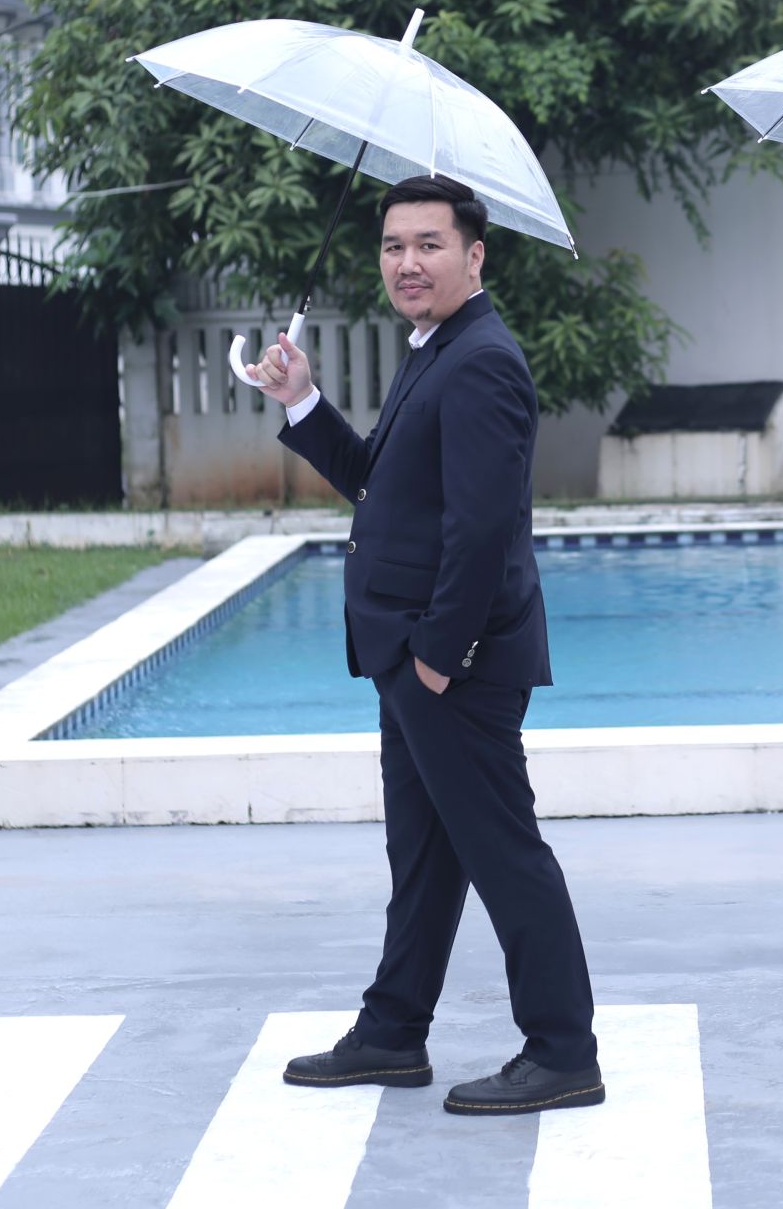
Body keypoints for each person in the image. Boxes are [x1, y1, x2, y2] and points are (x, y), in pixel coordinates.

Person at [241, 173, 603, 1117]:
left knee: (504, 855)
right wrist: (303, 399)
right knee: (425, 859)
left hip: (452, 664)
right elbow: (381, 483)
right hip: (408, 658)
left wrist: (439, 657)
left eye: (429, 245)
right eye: (394, 245)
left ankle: (564, 1051)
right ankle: (394, 1032)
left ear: (474, 256)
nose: (408, 262)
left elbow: (483, 529)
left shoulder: (481, 360)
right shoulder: (435, 349)